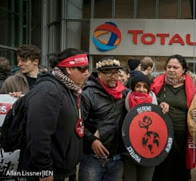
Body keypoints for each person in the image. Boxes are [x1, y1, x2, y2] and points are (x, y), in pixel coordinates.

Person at [18, 48, 89, 181]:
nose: (87, 73)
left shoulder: (70, 89)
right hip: (49, 174)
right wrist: (44, 171)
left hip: (64, 170)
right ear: (69, 69)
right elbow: (38, 135)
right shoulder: (49, 90)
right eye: (83, 69)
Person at [79, 57, 129, 181]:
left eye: (116, 72)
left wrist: (161, 103)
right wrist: (91, 141)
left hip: (117, 159)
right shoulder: (88, 94)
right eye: (108, 72)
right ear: (99, 74)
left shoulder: (125, 94)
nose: (113, 76)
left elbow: (144, 98)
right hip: (93, 159)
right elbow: (78, 123)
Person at [151, 54, 196, 181]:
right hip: (160, 136)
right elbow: (148, 98)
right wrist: (159, 101)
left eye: (175, 67)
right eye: (169, 66)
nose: (171, 69)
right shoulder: (157, 84)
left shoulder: (192, 87)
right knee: (161, 172)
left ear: (184, 70)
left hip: (182, 137)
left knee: (180, 172)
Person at [124, 73, 169, 181]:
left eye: (145, 87)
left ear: (149, 90)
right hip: (128, 154)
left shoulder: (156, 104)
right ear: (133, 87)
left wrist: (162, 104)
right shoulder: (124, 101)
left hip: (149, 153)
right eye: (138, 86)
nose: (141, 89)